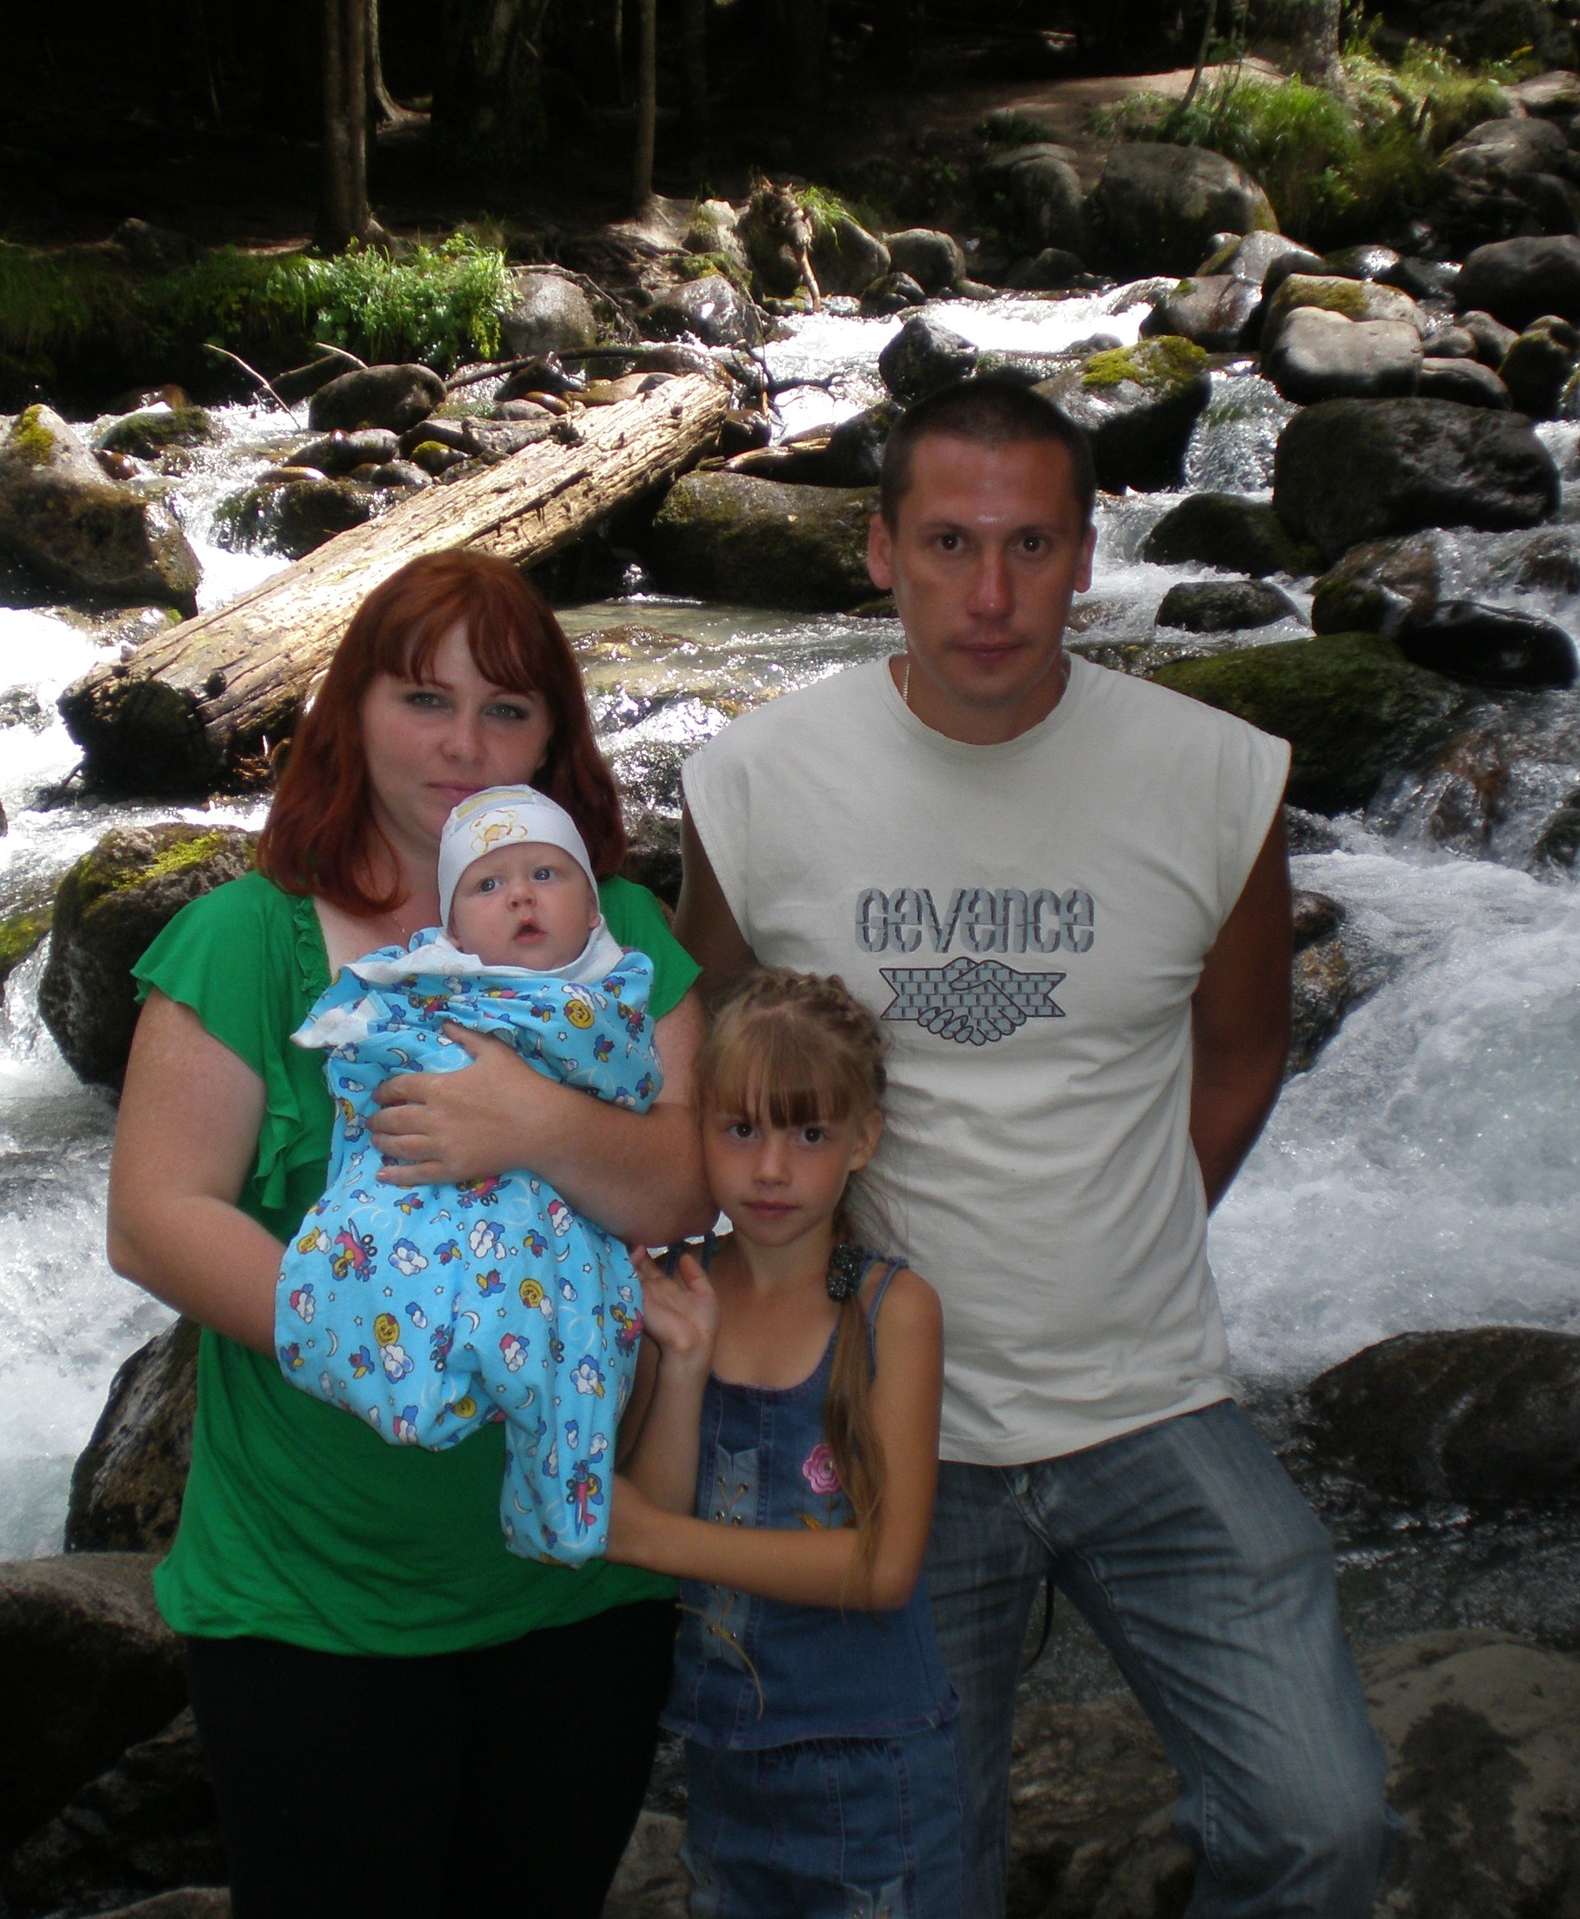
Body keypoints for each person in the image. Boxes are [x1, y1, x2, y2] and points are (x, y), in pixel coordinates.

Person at [671, 378, 1394, 1918]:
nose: (989, 594)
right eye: (949, 543)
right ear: (881, 550)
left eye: (1030, 545)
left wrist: (1133, 1239)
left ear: (1087, 554)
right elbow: (707, 1070)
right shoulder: (757, 787)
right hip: (880, 1422)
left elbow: (1242, 1048)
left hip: (1147, 1401)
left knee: (1322, 1821)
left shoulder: (1217, 778)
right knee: (906, 1880)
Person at [105, 550, 716, 1919]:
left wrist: (531, 1122)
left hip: (580, 1577)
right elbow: (155, 1220)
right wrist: (389, 1348)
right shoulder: (244, 940)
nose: (462, 745)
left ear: (553, 738)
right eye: (423, 700)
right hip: (317, 1597)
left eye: (507, 709)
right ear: (351, 711)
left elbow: (687, 1186)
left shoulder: (613, 929)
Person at [606, 968, 960, 1919]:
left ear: (863, 1140)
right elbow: (656, 1500)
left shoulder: (892, 1311)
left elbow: (883, 1568)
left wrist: (658, 1539)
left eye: (809, 1135)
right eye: (741, 1130)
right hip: (721, 1758)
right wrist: (684, 1365)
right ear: (700, 1128)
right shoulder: (681, 1289)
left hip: (875, 1769)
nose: (770, 1169)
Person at [273, 783, 664, 1564]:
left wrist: (529, 1115)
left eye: (547, 874)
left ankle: (558, 1515)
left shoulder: (610, 994)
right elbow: (368, 1060)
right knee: (353, 1244)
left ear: (594, 914)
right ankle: (397, 1369)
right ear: (451, 930)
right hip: (418, 1183)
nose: (520, 894)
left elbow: (625, 1074)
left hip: (543, 1214)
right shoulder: (420, 981)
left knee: (575, 1332)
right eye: (488, 884)